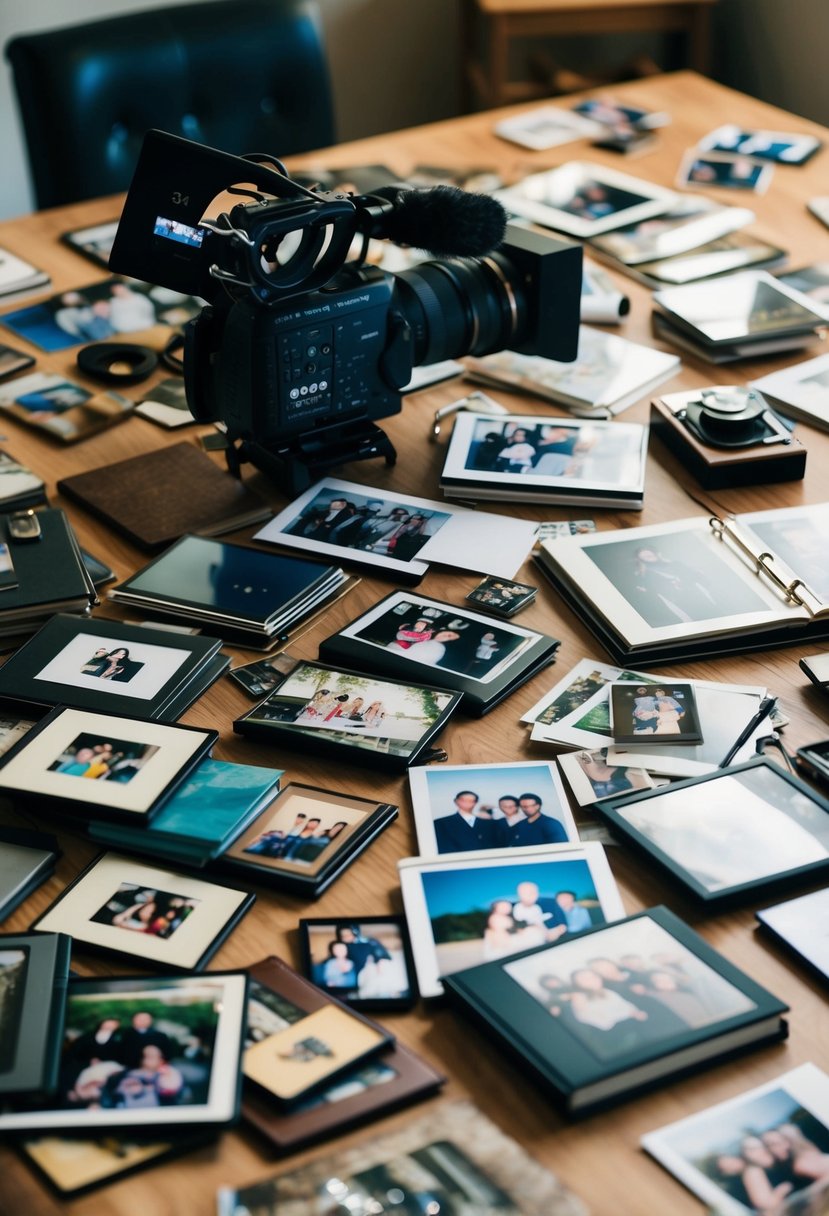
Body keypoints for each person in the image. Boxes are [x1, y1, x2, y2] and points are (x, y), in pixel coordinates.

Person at [102, 1043, 184, 1108]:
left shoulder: (169, 1073)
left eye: (152, 1056)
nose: (147, 1059)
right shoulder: (127, 1074)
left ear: (161, 1059)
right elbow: (114, 1093)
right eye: (145, 1056)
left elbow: (172, 1091)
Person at [434, 789, 500, 852]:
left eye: (471, 800)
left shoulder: (489, 824)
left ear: (475, 802)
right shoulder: (441, 823)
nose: (467, 803)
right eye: (464, 800)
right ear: (456, 801)